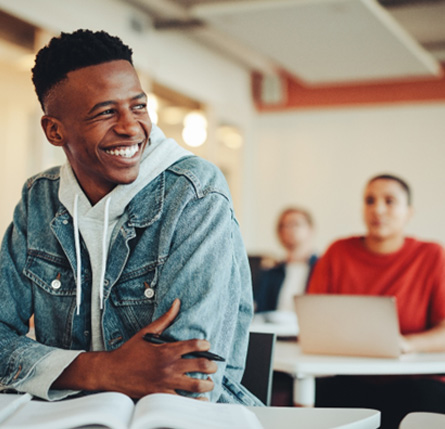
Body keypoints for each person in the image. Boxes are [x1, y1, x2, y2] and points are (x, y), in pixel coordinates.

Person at [0, 29, 260, 406]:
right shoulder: (40, 198)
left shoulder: (194, 192)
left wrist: (59, 369)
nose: (130, 127)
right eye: (105, 112)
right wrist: (104, 370)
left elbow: (189, 380)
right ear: (55, 131)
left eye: (138, 106)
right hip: (70, 417)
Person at [308, 174, 445, 428]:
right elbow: (313, 318)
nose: (378, 209)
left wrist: (409, 344)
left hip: (415, 381)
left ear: (409, 212)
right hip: (350, 377)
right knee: (322, 398)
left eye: (390, 201)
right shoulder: (338, 251)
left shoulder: (432, 255)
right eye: (370, 200)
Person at [255, 207, 318, 313]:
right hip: (274, 327)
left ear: (310, 229)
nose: (288, 229)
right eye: (283, 226)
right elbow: (261, 308)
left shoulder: (322, 269)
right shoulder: (271, 272)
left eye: (295, 224)